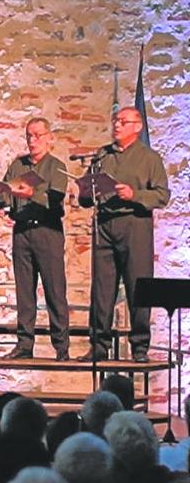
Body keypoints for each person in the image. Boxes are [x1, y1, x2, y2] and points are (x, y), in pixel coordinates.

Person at [79, 106, 169, 362]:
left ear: (137, 127)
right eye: (115, 120)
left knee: (137, 284)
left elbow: (162, 195)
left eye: (123, 121)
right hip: (105, 225)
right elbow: (86, 192)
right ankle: (99, 344)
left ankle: (139, 347)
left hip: (134, 224)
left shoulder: (149, 158)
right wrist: (86, 191)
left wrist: (134, 194)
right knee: (102, 287)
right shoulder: (102, 155)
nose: (117, 125)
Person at [0, 117, 70, 360]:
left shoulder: (56, 166)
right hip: (22, 232)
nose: (32, 140)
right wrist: (2, 201)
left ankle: (61, 346)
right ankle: (24, 344)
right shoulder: (18, 165)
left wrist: (32, 194)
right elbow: (6, 192)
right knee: (24, 291)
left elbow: (55, 200)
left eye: (37, 135)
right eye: (29, 135)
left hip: (47, 231)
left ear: (49, 138)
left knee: (54, 289)